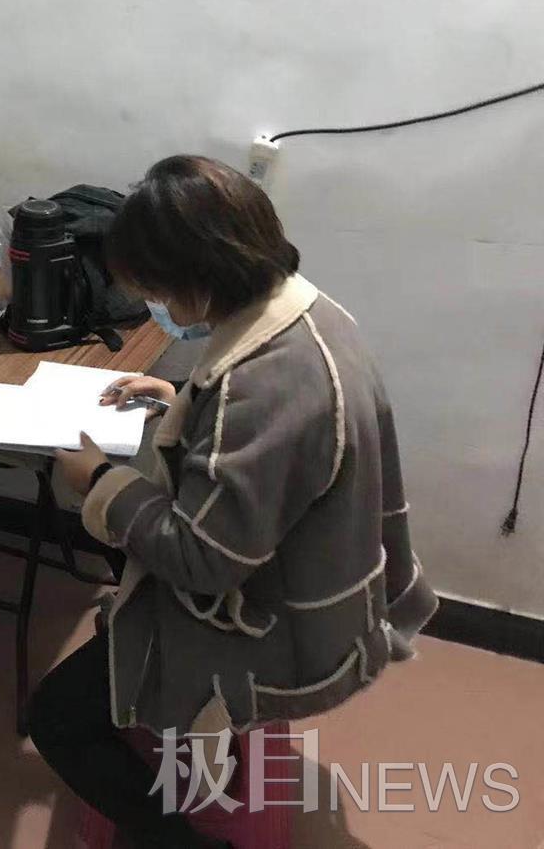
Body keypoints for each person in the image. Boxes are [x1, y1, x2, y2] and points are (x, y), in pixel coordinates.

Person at [33, 156, 438, 848]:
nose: (157, 307)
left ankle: (186, 844)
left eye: (157, 291)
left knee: (57, 718)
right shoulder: (309, 315)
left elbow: (204, 561)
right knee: (119, 598)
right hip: (314, 577)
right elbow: (266, 454)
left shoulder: (264, 384)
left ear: (199, 277)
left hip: (276, 626)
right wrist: (180, 400)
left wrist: (97, 481)